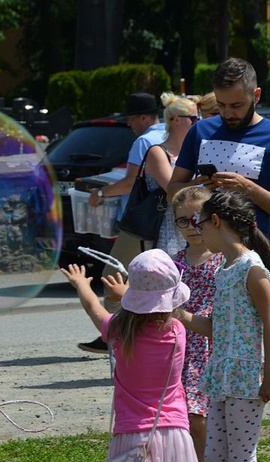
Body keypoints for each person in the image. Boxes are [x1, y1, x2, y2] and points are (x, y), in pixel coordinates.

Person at [61, 249, 205, 462]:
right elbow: (158, 309)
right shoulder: (176, 333)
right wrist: (129, 294)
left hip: (131, 435)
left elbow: (93, 306)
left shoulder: (117, 330)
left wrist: (81, 284)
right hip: (174, 433)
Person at [178, 190, 270, 462]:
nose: (197, 229)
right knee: (215, 457)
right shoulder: (224, 269)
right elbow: (218, 328)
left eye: (199, 222)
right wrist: (177, 315)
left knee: (241, 459)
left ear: (215, 221)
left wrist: (269, 374)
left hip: (246, 378)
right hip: (221, 375)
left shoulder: (252, 268)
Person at [168, 57, 270, 237]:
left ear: (256, 96)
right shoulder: (200, 130)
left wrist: (247, 187)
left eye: (236, 105)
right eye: (221, 104)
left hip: (249, 253)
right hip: (201, 253)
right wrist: (194, 187)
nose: (227, 113)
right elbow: (171, 194)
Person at [78, 92, 167, 354]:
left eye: (131, 119)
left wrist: (101, 193)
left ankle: (113, 334)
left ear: (143, 117)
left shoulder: (145, 141)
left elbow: (129, 182)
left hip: (141, 222)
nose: (129, 124)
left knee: (112, 275)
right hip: (165, 219)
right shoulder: (169, 135)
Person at [172, 186, 224, 462]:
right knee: (184, 419)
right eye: (182, 221)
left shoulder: (223, 260)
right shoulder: (173, 262)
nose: (190, 227)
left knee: (202, 419)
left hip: (208, 350)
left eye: (196, 218)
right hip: (177, 351)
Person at [145, 92, 199, 256]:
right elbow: (172, 190)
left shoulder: (192, 151)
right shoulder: (158, 152)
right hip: (166, 227)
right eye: (194, 119)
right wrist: (201, 181)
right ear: (176, 120)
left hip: (191, 224)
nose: (198, 123)